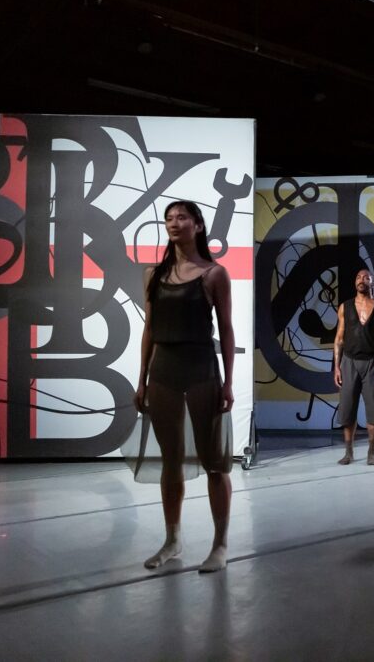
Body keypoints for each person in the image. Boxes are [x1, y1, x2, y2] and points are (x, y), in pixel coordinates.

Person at [131, 200, 235, 572]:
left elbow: (225, 330)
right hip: (164, 374)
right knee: (170, 462)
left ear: (199, 225)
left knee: (214, 463)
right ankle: (173, 540)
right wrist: (141, 379)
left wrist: (229, 383)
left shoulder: (214, 274)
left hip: (202, 371)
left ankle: (220, 544)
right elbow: (149, 329)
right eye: (169, 219)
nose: (174, 224)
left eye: (182, 218)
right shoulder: (153, 275)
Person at [333, 268, 374, 465]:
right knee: (348, 410)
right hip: (349, 362)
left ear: (371, 282)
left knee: (373, 410)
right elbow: (339, 339)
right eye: (358, 277)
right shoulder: (345, 307)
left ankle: (371, 452)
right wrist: (337, 367)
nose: (361, 280)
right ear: (354, 282)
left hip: (373, 363)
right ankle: (348, 452)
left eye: (365, 277)